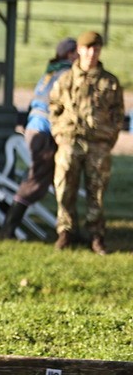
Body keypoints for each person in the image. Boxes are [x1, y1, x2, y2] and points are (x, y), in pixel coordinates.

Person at [49, 31, 125, 254]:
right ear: (79, 50)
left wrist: (108, 137)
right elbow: (53, 108)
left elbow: (118, 114)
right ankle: (65, 232)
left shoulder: (109, 82)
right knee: (64, 189)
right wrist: (60, 135)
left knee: (97, 191)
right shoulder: (65, 79)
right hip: (70, 142)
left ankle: (96, 235)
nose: (92, 54)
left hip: (98, 145)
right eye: (87, 48)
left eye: (96, 49)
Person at [0, 38, 78, 240]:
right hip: (45, 131)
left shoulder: (51, 70)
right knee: (35, 181)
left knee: (42, 177)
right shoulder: (67, 74)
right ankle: (7, 230)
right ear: (70, 54)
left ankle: (69, 229)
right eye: (79, 52)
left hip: (34, 129)